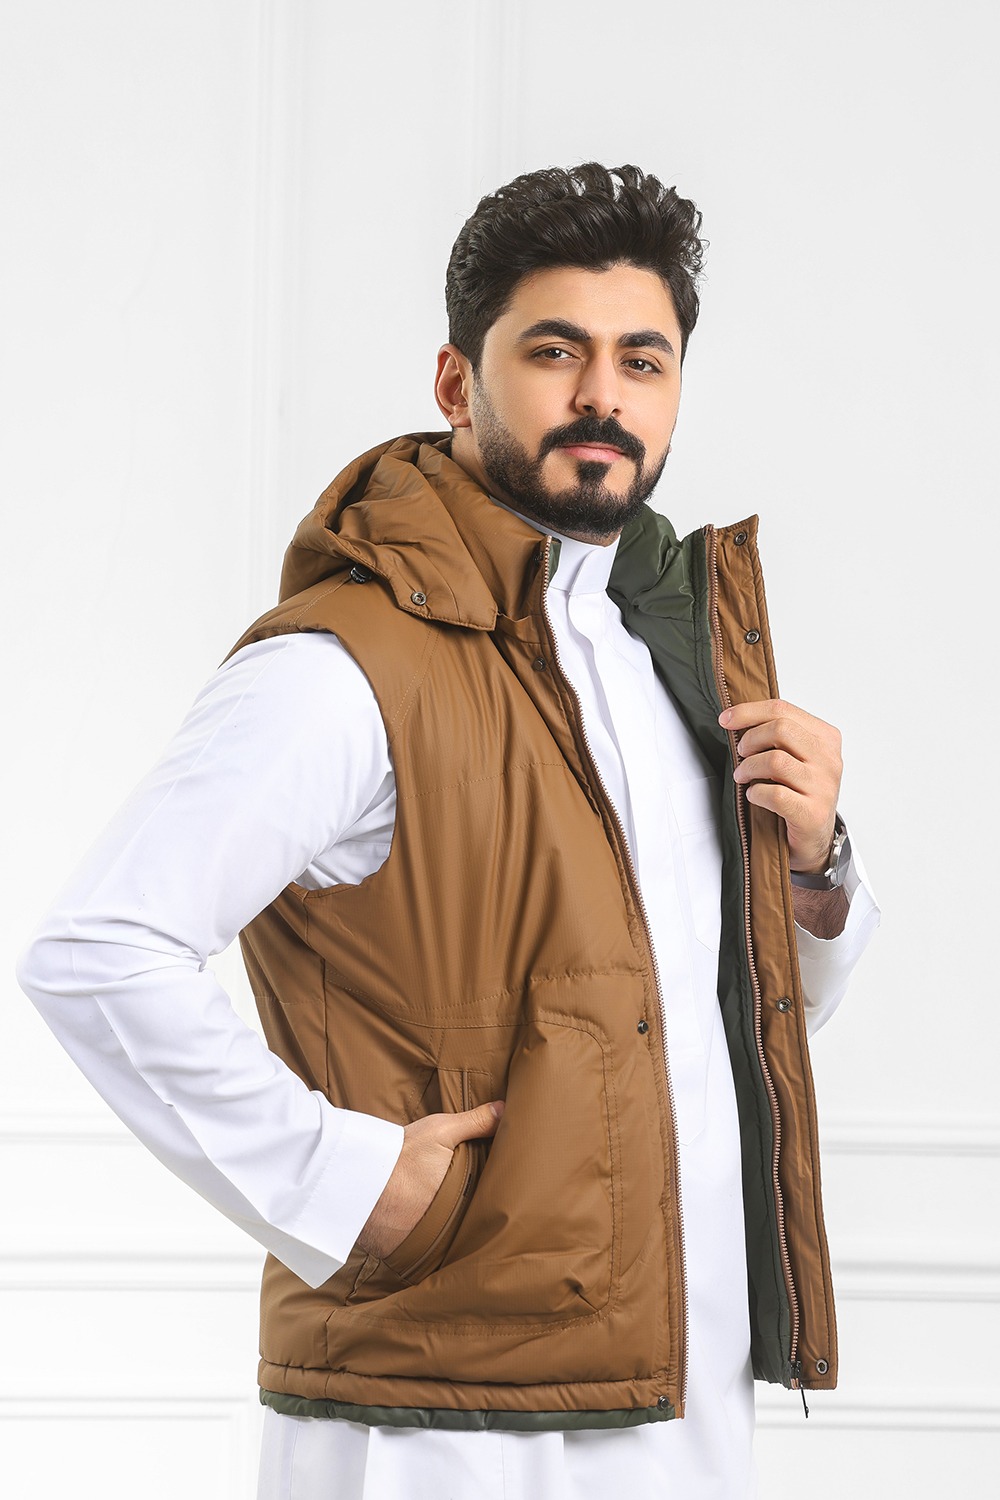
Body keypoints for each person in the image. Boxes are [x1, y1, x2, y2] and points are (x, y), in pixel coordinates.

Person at [18, 163, 879, 1499]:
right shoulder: (341, 667)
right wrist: (337, 1179)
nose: (602, 395)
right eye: (554, 351)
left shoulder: (677, 655)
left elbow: (710, 1009)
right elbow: (96, 954)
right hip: (440, 1417)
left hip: (681, 1388)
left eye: (641, 360)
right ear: (454, 380)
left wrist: (817, 866)